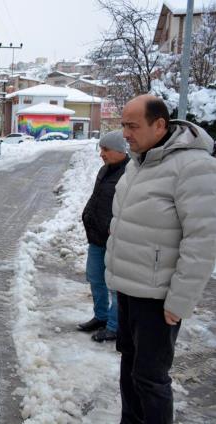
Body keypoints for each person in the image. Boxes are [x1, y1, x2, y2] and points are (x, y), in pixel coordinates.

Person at [106, 94, 216, 423]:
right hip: (129, 289)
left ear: (159, 125)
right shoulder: (140, 162)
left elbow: (203, 240)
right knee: (129, 366)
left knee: (151, 379)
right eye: (123, 125)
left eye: (132, 126)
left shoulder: (194, 167)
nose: (125, 133)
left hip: (158, 299)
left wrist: (179, 301)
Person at [78, 131, 129, 342]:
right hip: (96, 237)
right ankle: (101, 317)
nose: (102, 154)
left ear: (119, 150)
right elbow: (96, 197)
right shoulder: (104, 170)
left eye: (106, 150)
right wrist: (87, 216)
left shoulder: (130, 174)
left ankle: (114, 326)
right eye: (101, 149)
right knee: (95, 278)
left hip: (115, 240)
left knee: (114, 284)